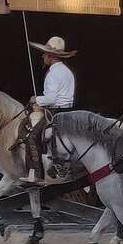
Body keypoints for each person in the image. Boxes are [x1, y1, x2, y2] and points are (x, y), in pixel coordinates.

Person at [21, 36, 77, 184]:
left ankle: (36, 174)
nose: (43, 56)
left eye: (45, 54)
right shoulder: (67, 71)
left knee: (32, 137)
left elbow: (51, 98)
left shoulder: (53, 74)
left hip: (55, 113)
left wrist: (35, 99)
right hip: (69, 110)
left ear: (51, 56)